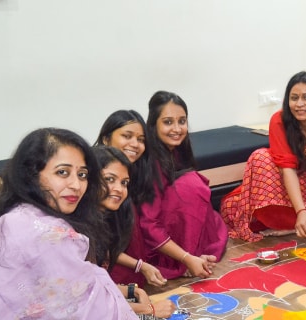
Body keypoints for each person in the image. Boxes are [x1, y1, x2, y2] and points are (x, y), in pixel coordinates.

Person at [0, 128, 137, 319]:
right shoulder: (46, 234)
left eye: (82, 175)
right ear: (32, 175)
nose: (76, 185)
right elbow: (88, 309)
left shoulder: (15, 215)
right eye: (62, 172)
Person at [220, 71, 306, 242]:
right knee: (234, 201)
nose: (299, 104)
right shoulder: (280, 121)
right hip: (293, 184)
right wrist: (301, 211)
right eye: (294, 98)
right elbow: (287, 169)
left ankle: (305, 220)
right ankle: (296, 221)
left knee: (253, 205)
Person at [138, 90, 228, 279]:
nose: (177, 128)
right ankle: (180, 259)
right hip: (150, 241)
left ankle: (194, 252)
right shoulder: (151, 161)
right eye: (168, 122)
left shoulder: (177, 150)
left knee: (192, 184)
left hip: (170, 228)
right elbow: (148, 224)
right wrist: (186, 258)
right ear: (153, 125)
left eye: (182, 121)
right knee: (190, 186)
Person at [93, 146, 175, 318]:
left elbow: (95, 285)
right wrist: (148, 310)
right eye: (109, 179)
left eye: (124, 183)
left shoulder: (103, 219)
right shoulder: (76, 232)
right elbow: (84, 299)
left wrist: (131, 291)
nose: (119, 189)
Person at [94, 110, 168, 288]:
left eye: (141, 140)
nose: (135, 144)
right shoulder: (89, 180)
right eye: (127, 136)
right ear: (105, 139)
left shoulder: (139, 171)